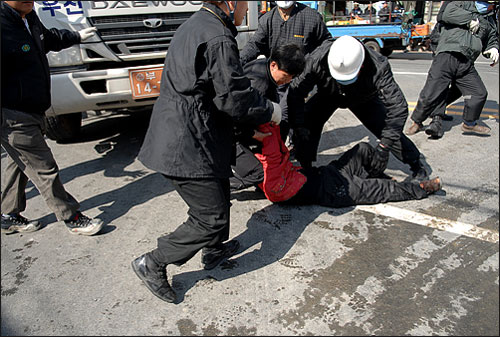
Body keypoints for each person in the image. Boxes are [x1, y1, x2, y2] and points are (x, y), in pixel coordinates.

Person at [132, 1, 282, 303]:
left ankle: (214, 249)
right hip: (187, 142)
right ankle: (153, 262)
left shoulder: (198, 25)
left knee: (220, 189)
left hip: (196, 132)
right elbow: (233, 96)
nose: (246, 11)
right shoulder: (217, 36)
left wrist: (243, 130)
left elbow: (214, 90)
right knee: (210, 216)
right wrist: (270, 110)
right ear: (230, 2)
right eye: (245, 4)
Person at [1, 1, 104, 236]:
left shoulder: (28, 17)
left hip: (33, 108)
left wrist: (76, 36)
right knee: (43, 167)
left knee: (19, 162)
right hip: (12, 113)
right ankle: (71, 216)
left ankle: (8, 214)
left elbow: (49, 39)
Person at [287, 35, 429, 182]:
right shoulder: (316, 59)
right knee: (307, 123)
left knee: (386, 128)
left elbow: (398, 107)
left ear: (361, 66)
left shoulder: (378, 65)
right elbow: (296, 92)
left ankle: (417, 165)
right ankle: (305, 165)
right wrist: (298, 124)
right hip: (328, 94)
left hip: (363, 98)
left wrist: (384, 146)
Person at [254, 123, 442, 207]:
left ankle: (370, 176)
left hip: (329, 173)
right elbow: (270, 147)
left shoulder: (263, 153)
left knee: (363, 149)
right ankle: (421, 189)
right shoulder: (271, 181)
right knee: (383, 189)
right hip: (334, 191)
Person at [406, 1, 498, 139]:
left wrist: (493, 48)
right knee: (431, 93)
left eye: (493, 5)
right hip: (447, 54)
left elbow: (491, 38)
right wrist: (469, 20)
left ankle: (469, 123)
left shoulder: (489, 20)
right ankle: (417, 121)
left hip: (466, 61)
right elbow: (448, 13)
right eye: (488, 4)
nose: (490, 7)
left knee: (478, 93)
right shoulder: (464, 3)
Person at [231, 43, 306, 191]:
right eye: (285, 76)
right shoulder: (258, 84)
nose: (288, 81)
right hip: (229, 136)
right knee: (260, 174)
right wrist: (252, 134)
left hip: (242, 128)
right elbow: (233, 118)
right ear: (273, 65)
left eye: (291, 78)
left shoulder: (264, 68)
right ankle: (220, 185)